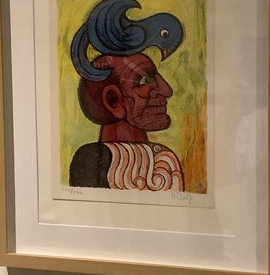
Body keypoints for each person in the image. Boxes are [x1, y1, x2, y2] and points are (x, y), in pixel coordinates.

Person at [69, 53, 184, 191]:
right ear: (114, 101)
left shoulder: (164, 160)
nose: (167, 90)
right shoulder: (164, 161)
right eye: (144, 81)